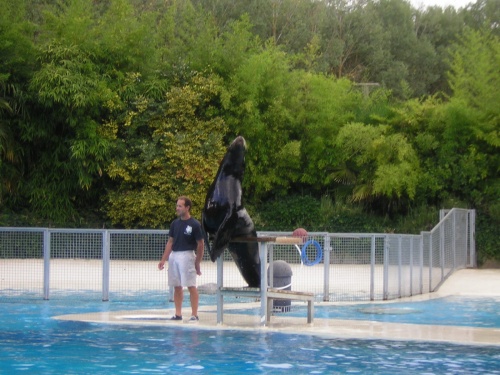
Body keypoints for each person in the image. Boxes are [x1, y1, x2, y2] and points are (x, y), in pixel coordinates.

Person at [158, 196, 204, 322]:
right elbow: (170, 242)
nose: (177, 208)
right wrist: (163, 259)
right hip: (175, 255)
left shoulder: (194, 224)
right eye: (177, 205)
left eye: (180, 206)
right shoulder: (175, 224)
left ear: (187, 207)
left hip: (187, 255)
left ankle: (194, 314)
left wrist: (197, 262)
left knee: (191, 285)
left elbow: (200, 244)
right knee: (176, 285)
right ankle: (178, 314)